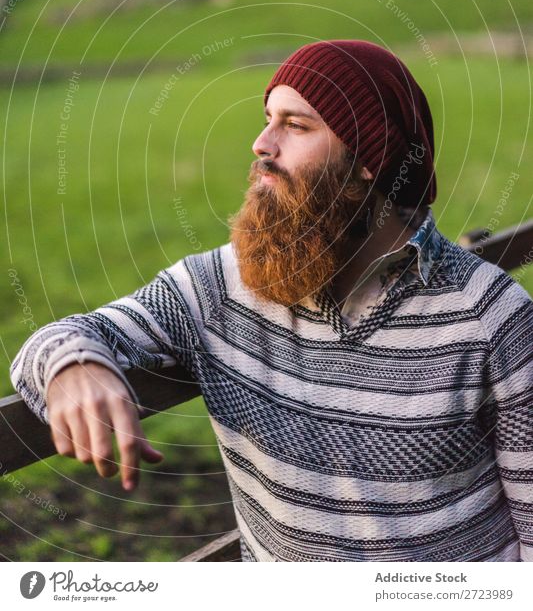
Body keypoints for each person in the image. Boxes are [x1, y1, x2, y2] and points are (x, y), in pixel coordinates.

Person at [10, 39, 533, 562]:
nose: (262, 143)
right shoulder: (221, 286)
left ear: (372, 160)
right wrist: (74, 367)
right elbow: (57, 338)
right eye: (267, 118)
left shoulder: (494, 321)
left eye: (296, 124)